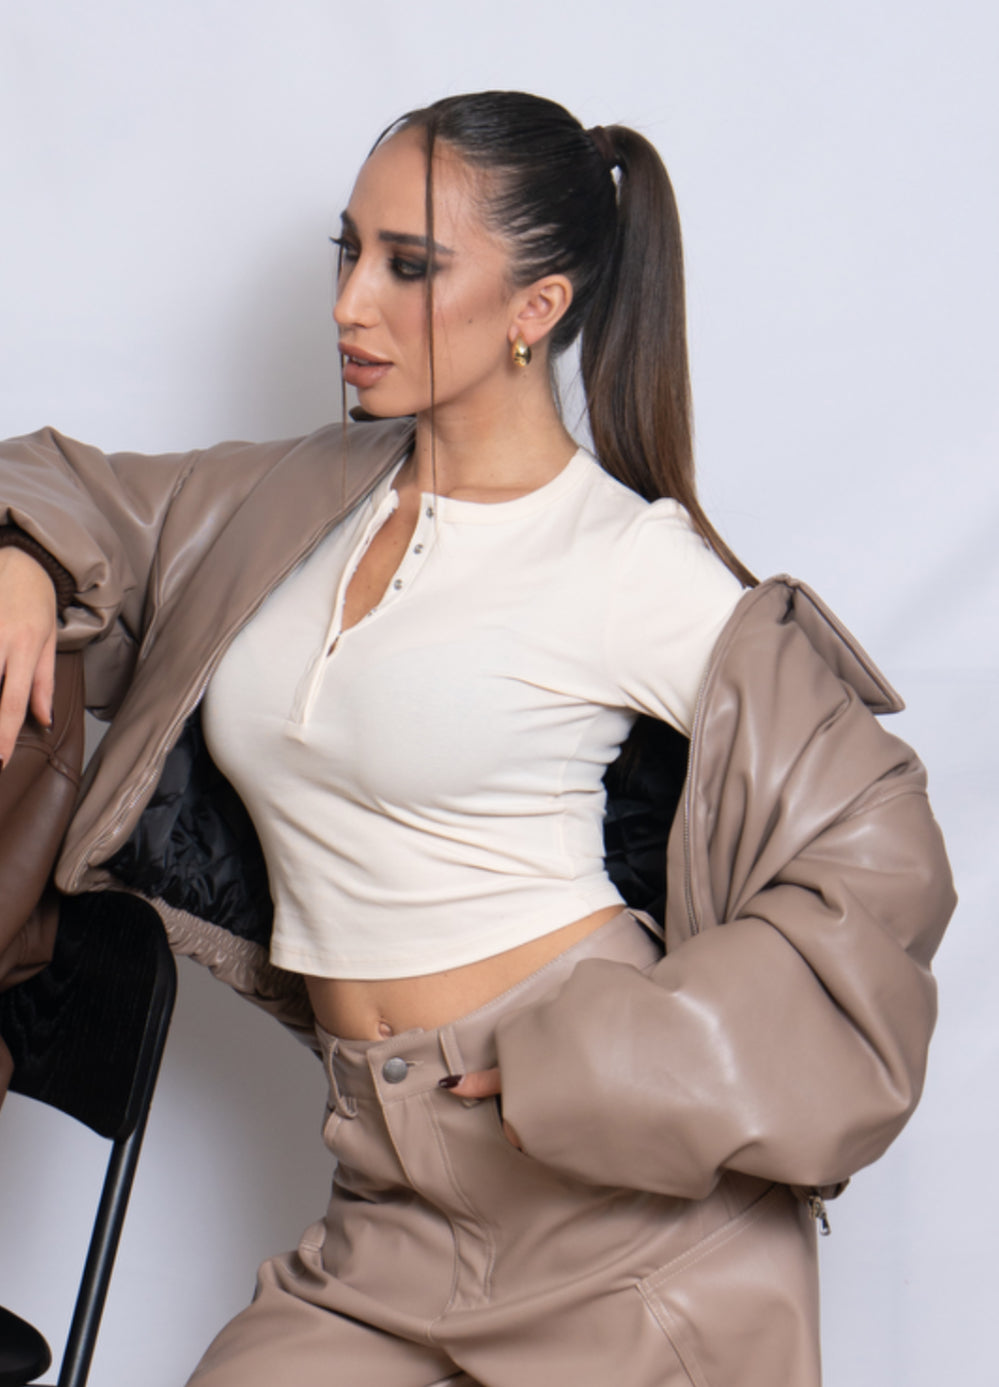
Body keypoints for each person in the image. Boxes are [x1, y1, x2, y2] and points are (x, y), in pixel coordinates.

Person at [0, 91, 954, 1386]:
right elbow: (80, 492)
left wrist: (625, 1053)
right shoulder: (286, 499)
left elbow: (881, 849)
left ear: (535, 308)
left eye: (411, 266)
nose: (351, 303)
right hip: (384, 1209)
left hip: (618, 1236)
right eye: (349, 251)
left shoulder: (627, 565)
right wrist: (25, 555)